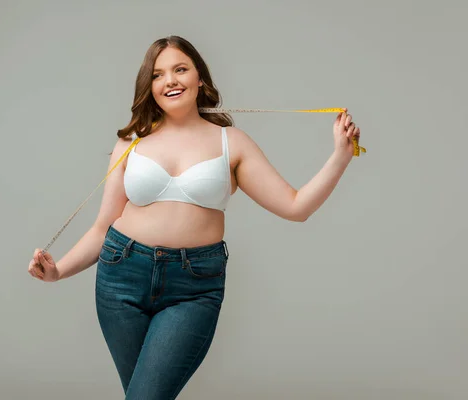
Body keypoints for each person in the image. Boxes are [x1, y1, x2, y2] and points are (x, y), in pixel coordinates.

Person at [28, 35, 361, 399]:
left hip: (193, 287)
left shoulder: (230, 142)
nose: (169, 80)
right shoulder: (131, 142)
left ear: (199, 77)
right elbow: (102, 228)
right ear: (149, 87)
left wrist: (340, 157)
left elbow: (296, 207)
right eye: (158, 74)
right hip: (121, 276)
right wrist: (58, 271)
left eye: (180, 69)